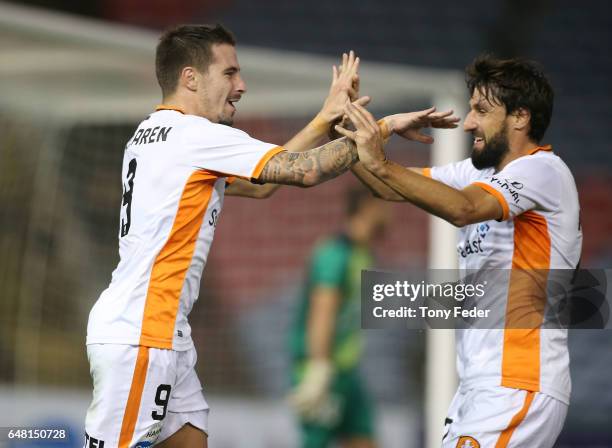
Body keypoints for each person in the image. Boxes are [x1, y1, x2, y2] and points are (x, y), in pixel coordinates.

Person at [84, 24, 367, 448]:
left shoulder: (150, 134)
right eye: (230, 73)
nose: (242, 85)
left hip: (161, 332)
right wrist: (376, 134)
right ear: (191, 78)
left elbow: (264, 182)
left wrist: (325, 119)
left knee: (190, 440)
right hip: (143, 332)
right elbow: (306, 170)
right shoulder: (195, 136)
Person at [336, 55, 582, 448]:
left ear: (520, 117)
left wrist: (380, 162)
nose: (468, 122)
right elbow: (386, 185)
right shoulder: (475, 172)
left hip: (518, 381)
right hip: (478, 386)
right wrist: (349, 125)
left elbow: (463, 209)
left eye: (481, 111)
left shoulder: (544, 171)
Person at [288, 187, 390, 448]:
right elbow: (323, 311)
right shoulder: (335, 254)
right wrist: (319, 368)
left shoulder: (364, 254)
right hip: (323, 371)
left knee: (363, 440)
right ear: (369, 206)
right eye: (386, 204)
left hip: (347, 373)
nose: (391, 213)